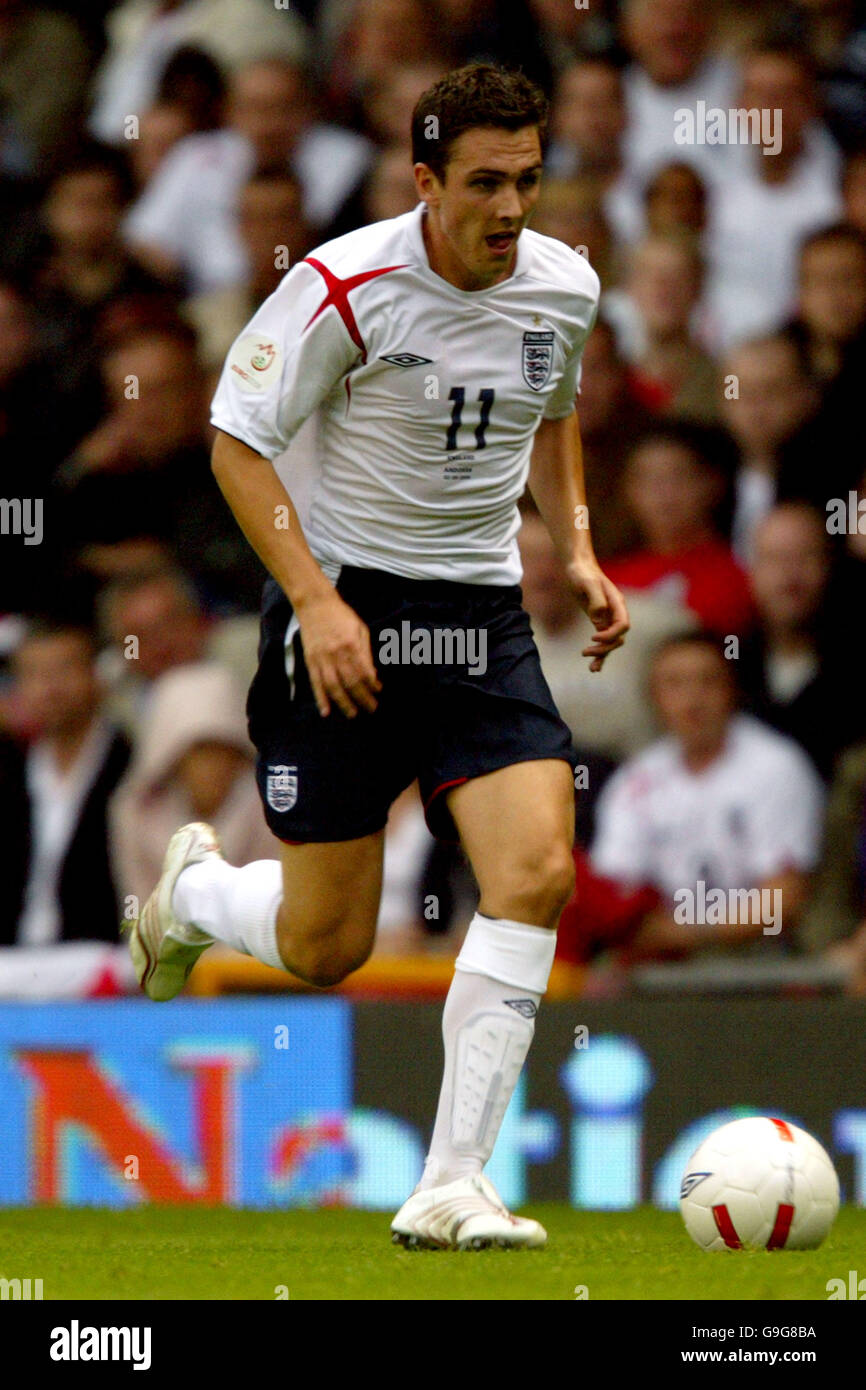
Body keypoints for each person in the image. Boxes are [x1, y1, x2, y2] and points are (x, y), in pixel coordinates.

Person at [126, 63, 629, 1249]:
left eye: (527, 180)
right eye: (484, 184)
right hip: (344, 615)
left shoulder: (562, 288)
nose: (510, 210)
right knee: (323, 946)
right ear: (423, 180)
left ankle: (451, 1181)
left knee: (536, 870)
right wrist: (314, 600)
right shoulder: (341, 288)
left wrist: (582, 548)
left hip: (480, 620)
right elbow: (235, 447)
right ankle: (194, 895)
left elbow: (548, 413)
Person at [590, 631, 825, 961]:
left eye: (708, 681)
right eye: (674, 684)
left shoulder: (777, 766)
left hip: (763, 959)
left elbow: (783, 899)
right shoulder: (634, 780)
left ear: (732, 690)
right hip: (657, 963)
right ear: (653, 697)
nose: (692, 699)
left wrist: (687, 933)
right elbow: (611, 892)